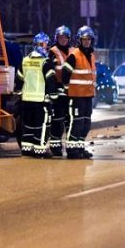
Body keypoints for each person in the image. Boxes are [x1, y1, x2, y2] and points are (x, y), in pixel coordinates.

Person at [14, 32, 57, 158]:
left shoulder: (25, 60)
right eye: (46, 45)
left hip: (26, 100)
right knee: (42, 125)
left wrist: (19, 93)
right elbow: (50, 82)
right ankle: (40, 149)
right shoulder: (45, 62)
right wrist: (53, 96)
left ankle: (27, 147)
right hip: (41, 100)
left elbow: (19, 79)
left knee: (28, 125)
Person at [62, 26, 96, 159]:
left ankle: (80, 147)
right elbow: (65, 74)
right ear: (79, 40)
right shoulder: (74, 55)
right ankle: (72, 150)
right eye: (84, 39)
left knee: (86, 124)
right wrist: (67, 89)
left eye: (89, 39)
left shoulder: (91, 55)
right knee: (76, 123)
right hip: (76, 96)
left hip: (88, 96)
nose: (87, 42)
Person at [47, 25, 73, 157]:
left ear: (69, 38)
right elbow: (50, 72)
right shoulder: (53, 51)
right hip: (58, 91)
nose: (63, 40)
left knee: (71, 120)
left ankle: (71, 147)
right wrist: (52, 89)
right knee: (58, 120)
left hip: (72, 91)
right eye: (60, 37)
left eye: (65, 37)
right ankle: (55, 146)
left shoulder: (73, 51)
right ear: (56, 38)